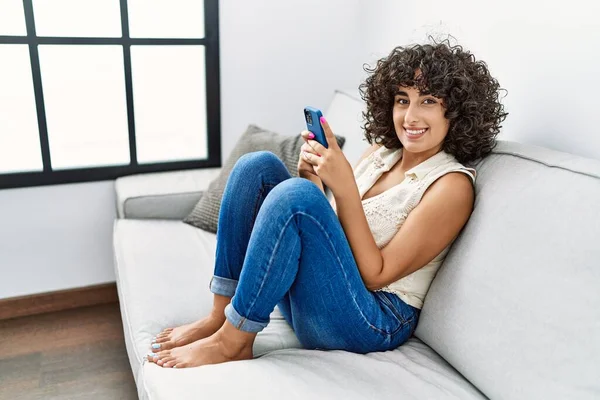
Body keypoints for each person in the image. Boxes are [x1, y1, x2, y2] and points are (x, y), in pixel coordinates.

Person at [147, 40, 508, 368]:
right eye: (402, 99)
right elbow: (323, 234)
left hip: (371, 320)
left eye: (428, 101)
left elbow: (375, 274)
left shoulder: (452, 186)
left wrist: (344, 187)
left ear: (456, 111)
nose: (410, 117)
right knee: (257, 167)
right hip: (326, 296)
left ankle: (233, 341)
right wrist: (313, 179)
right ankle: (221, 313)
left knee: (297, 197)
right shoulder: (382, 153)